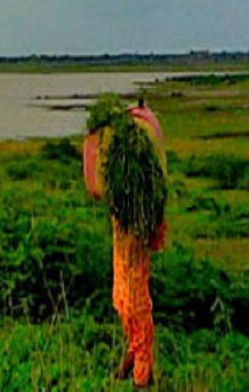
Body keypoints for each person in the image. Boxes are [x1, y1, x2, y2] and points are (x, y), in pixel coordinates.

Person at [103, 97, 168, 387]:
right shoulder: (141, 219)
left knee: (135, 323)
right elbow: (157, 240)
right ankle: (137, 375)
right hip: (133, 284)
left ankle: (134, 375)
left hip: (126, 282)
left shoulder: (123, 214)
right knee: (137, 324)